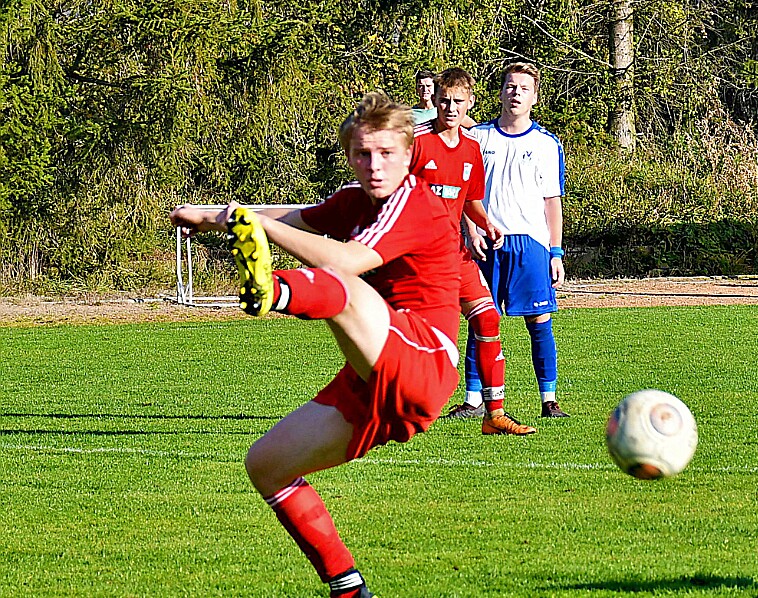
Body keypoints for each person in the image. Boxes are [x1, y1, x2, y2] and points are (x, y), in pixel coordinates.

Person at [169, 91, 462, 598]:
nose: (374, 165)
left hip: (425, 358)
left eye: (386, 153)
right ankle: (348, 590)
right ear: (349, 155)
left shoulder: (416, 203)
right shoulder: (354, 201)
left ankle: (274, 290)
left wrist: (253, 229)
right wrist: (217, 214)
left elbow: (347, 263)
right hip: (373, 378)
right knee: (267, 464)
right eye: (363, 154)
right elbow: (297, 216)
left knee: (342, 282)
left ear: (410, 153)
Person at [410, 67, 536, 435]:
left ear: (470, 104)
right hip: (419, 257)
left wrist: (486, 223)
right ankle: (394, 402)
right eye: (444, 100)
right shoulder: (416, 142)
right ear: (434, 101)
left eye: (457, 102)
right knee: (423, 336)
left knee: (488, 319)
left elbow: (470, 200)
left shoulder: (471, 149)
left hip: (455, 254)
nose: (450, 107)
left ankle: (494, 414)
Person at [463, 62, 570, 419]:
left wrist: (555, 252)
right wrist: (472, 229)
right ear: (500, 93)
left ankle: (549, 401)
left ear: (534, 97)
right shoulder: (478, 138)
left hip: (530, 246)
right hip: (487, 242)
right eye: (510, 86)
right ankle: (474, 400)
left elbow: (551, 202)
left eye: (524, 88)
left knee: (539, 322)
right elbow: (466, 194)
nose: (516, 93)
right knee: (481, 320)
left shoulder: (546, 144)